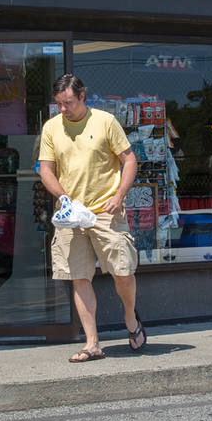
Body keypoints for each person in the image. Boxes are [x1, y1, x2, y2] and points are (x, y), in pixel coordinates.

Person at [37, 73, 146, 362]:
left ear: (82, 96)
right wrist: (63, 197)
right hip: (72, 215)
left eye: (69, 103)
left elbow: (129, 159)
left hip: (106, 210)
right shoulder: (51, 128)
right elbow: (45, 169)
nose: (63, 109)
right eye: (59, 104)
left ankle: (130, 318)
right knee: (79, 277)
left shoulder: (105, 121)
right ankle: (92, 343)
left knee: (123, 270)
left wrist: (120, 194)